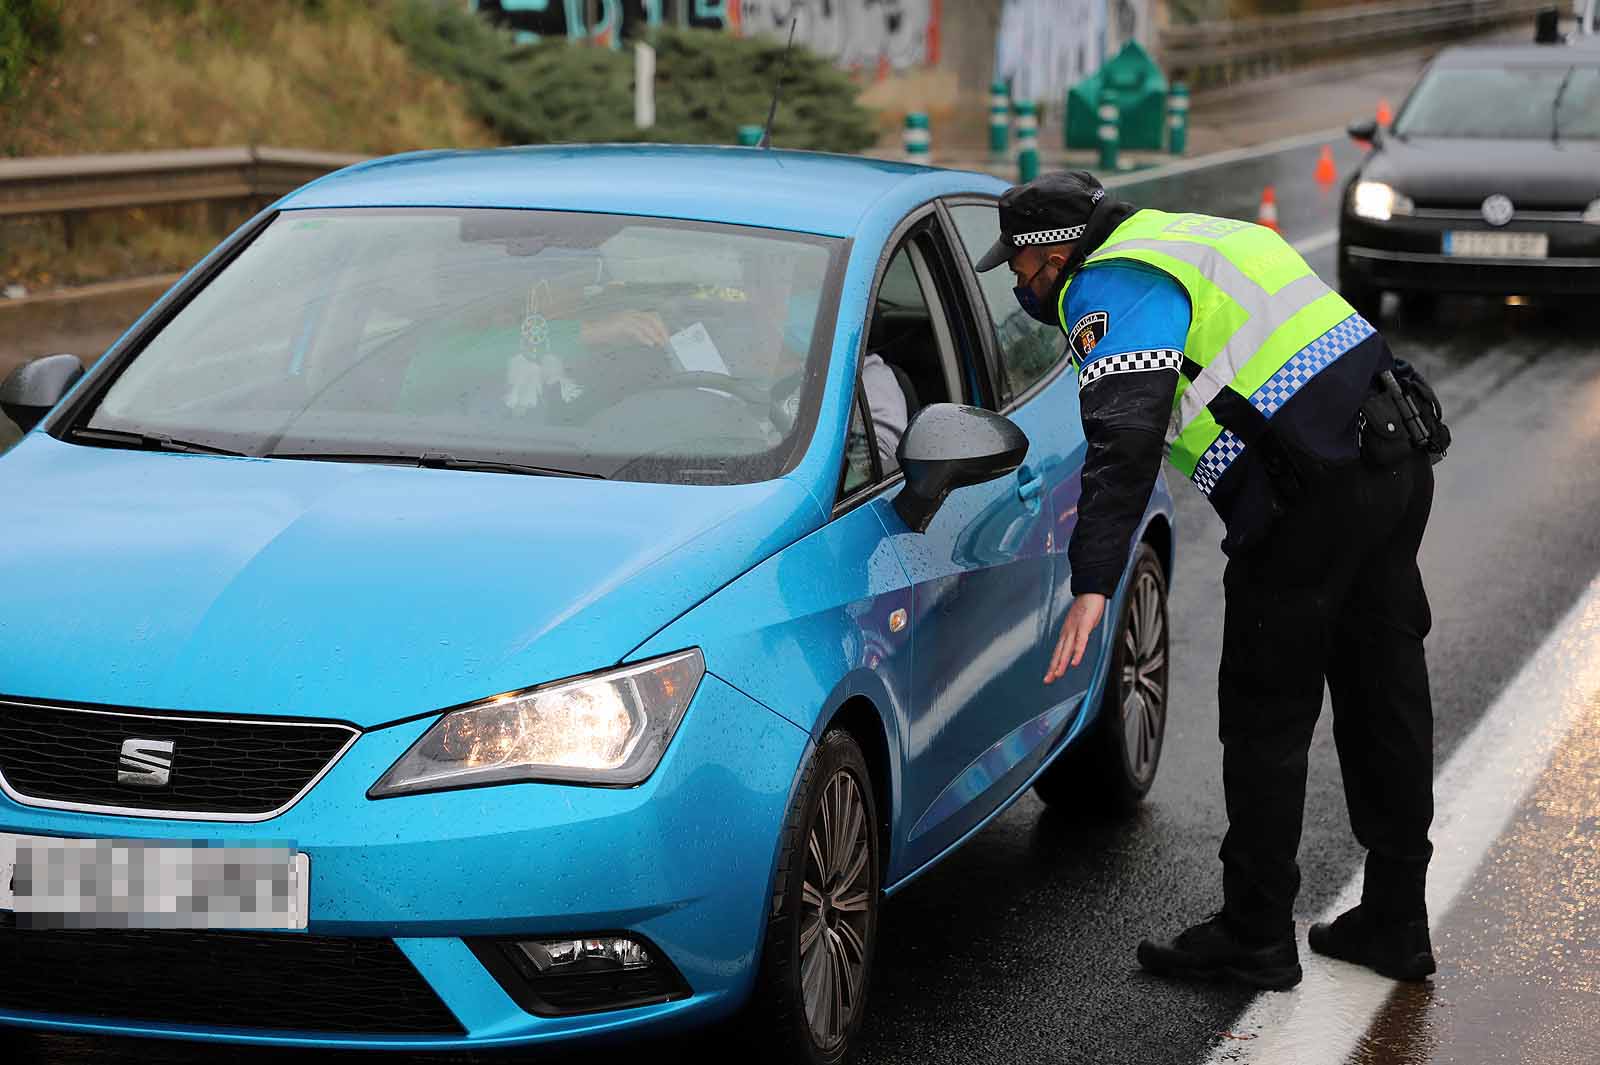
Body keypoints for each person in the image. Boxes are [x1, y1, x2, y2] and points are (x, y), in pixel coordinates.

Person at [974, 171, 1444, 991]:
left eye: (1017, 266)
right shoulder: (1195, 237)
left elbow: (1124, 437)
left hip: (1311, 497)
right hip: (1393, 451)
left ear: (1052, 253)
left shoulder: (1110, 284)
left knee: (1266, 718)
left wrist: (1093, 582)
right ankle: (1398, 919)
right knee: (1386, 692)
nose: (1018, 284)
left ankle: (1257, 932)